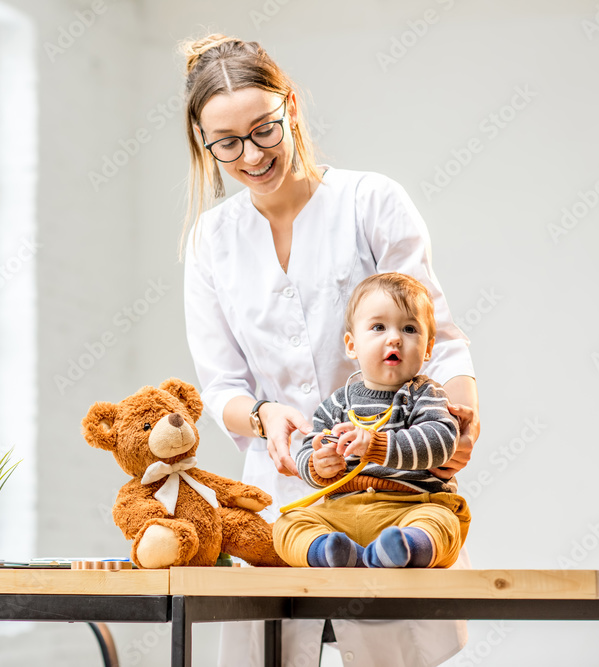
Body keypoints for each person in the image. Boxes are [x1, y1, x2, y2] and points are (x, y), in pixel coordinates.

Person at [180, 32, 480, 667]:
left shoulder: (369, 202)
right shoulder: (213, 239)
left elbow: (439, 333)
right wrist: (264, 418)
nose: (250, 155)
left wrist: (459, 417)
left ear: (289, 107)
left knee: (388, 650)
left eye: (262, 129)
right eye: (226, 143)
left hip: (391, 485)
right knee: (273, 647)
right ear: (204, 143)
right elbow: (222, 387)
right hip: (285, 490)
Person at [274, 272, 470, 571]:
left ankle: (401, 548)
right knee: (288, 524)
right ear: (352, 345)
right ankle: (332, 552)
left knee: (441, 523)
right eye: (378, 327)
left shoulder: (427, 395)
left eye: (408, 328)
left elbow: (440, 442)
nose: (394, 338)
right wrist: (318, 465)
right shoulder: (338, 403)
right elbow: (306, 448)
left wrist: (376, 445)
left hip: (411, 507)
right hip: (341, 511)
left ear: (429, 348)